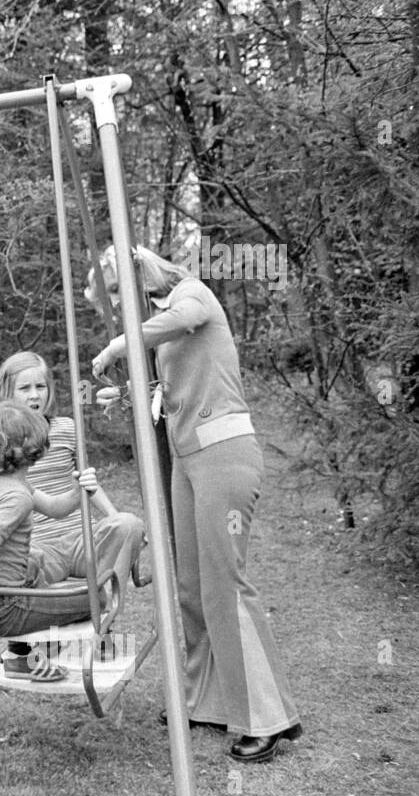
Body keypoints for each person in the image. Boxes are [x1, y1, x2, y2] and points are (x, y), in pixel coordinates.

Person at [90, 243, 302, 763]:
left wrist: (120, 344)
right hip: (188, 460)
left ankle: (266, 717)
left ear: (140, 272)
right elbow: (176, 388)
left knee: (225, 584)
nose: (119, 304)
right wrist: (127, 394)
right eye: (110, 299)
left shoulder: (191, 292)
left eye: (119, 290)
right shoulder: (159, 327)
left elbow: (188, 319)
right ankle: (206, 700)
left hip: (224, 452)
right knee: (190, 586)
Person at [0, 351, 150, 598]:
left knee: (129, 524)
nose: (34, 395)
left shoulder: (66, 428)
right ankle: (47, 609)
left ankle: (105, 596)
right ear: (7, 393)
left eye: (40, 386)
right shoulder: (0, 439)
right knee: (26, 566)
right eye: (25, 388)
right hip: (37, 546)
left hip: (80, 537)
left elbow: (87, 483)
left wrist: (113, 516)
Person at [0, 401, 102, 681]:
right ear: (37, 450)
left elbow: (56, 508)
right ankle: (23, 658)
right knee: (96, 599)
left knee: (35, 560)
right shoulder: (16, 497)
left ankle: (24, 646)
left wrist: (79, 490)